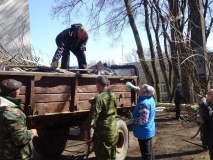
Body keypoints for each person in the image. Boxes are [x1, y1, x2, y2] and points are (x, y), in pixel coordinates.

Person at [0, 79, 38, 159]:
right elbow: (20, 139)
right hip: (13, 155)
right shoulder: (13, 113)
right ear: (15, 94)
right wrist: (32, 132)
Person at [84, 76, 118, 160]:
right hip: (113, 131)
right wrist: (96, 98)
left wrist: (86, 130)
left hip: (103, 136)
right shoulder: (112, 95)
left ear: (98, 84)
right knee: (112, 157)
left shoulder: (99, 98)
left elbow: (92, 118)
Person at [132, 84, 156, 160]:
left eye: (141, 89)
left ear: (144, 92)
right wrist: (133, 87)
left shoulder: (144, 104)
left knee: (146, 154)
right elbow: (140, 91)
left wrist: (132, 120)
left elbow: (143, 120)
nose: (139, 90)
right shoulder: (150, 99)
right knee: (150, 152)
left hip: (143, 132)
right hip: (148, 129)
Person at [199, 89, 213, 160]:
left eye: (208, 95)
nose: (207, 96)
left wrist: (204, 104)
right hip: (210, 136)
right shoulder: (209, 104)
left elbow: (211, 115)